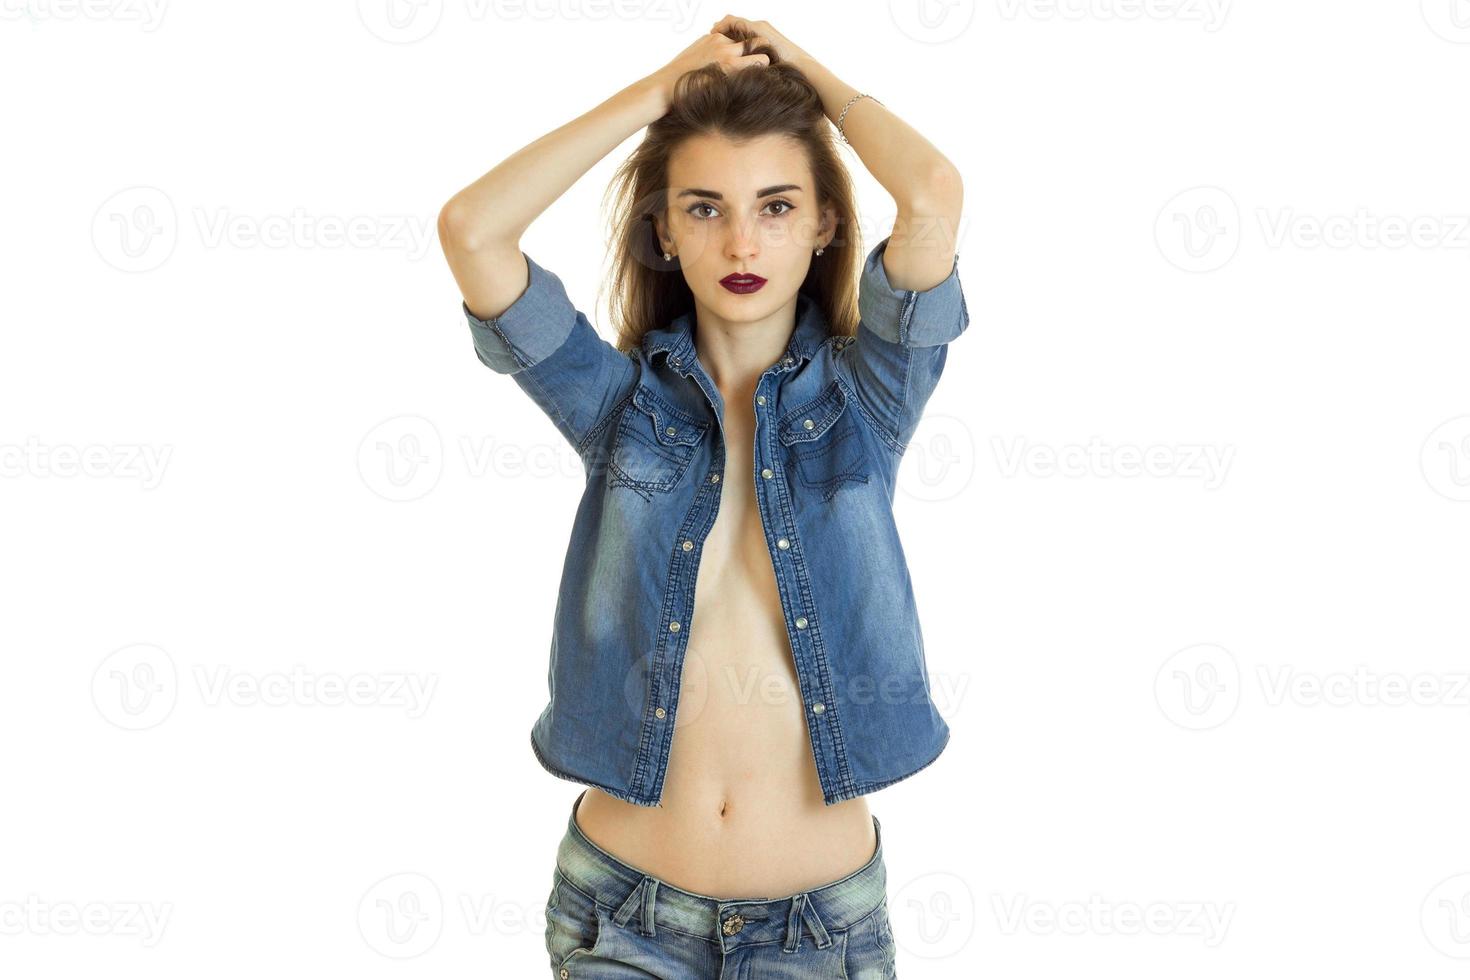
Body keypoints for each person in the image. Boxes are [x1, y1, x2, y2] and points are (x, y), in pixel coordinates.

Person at [438, 16, 968, 978]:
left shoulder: (870, 401)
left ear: (823, 225)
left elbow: (932, 194)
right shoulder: (616, 410)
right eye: (703, 207)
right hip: (622, 917)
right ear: (665, 232)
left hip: (821, 933)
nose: (741, 239)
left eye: (774, 206)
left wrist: (807, 73)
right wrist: (662, 91)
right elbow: (474, 230)